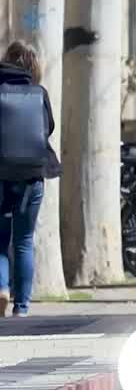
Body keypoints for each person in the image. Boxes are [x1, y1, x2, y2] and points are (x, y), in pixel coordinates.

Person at [0, 40, 60, 317]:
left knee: (0, 239)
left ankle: (1, 287)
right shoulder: (39, 93)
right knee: (24, 240)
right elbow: (47, 128)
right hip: (32, 176)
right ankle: (21, 307)